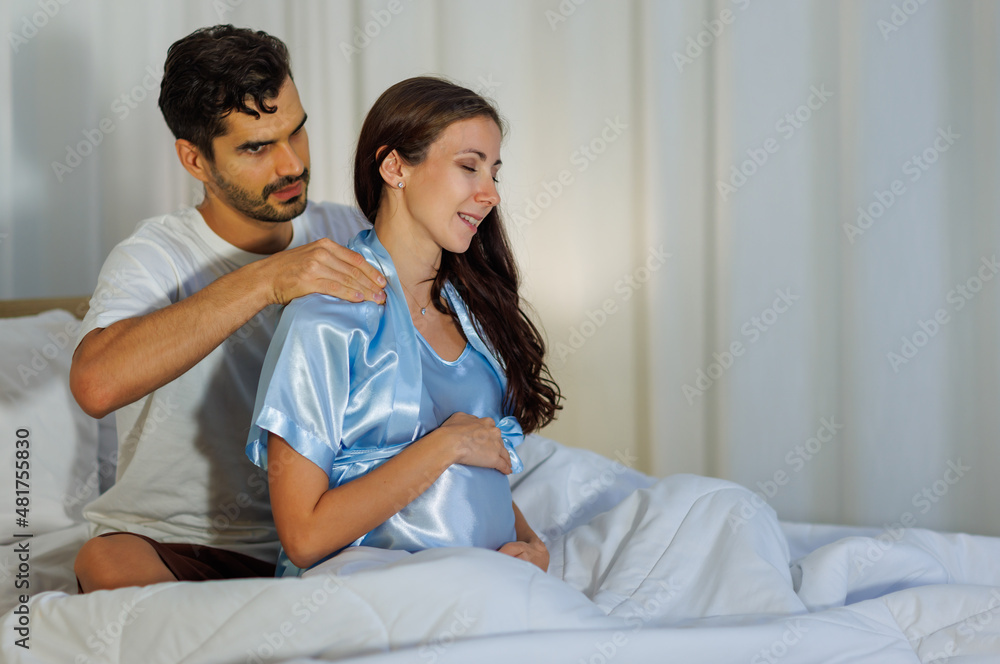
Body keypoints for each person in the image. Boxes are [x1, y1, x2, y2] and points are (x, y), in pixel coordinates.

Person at [71, 25, 391, 592]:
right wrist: (268, 279)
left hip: (330, 540)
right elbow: (96, 384)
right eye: (256, 147)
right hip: (175, 541)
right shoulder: (154, 255)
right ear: (195, 160)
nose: (291, 164)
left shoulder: (352, 233)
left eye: (296, 131)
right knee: (105, 563)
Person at [245, 76, 561, 577]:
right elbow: (304, 538)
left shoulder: (474, 316)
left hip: (487, 583)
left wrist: (531, 544)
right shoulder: (325, 321)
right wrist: (445, 444)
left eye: (494, 174)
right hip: (374, 589)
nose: (490, 195)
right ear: (395, 167)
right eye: (469, 167)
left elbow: (477, 470)